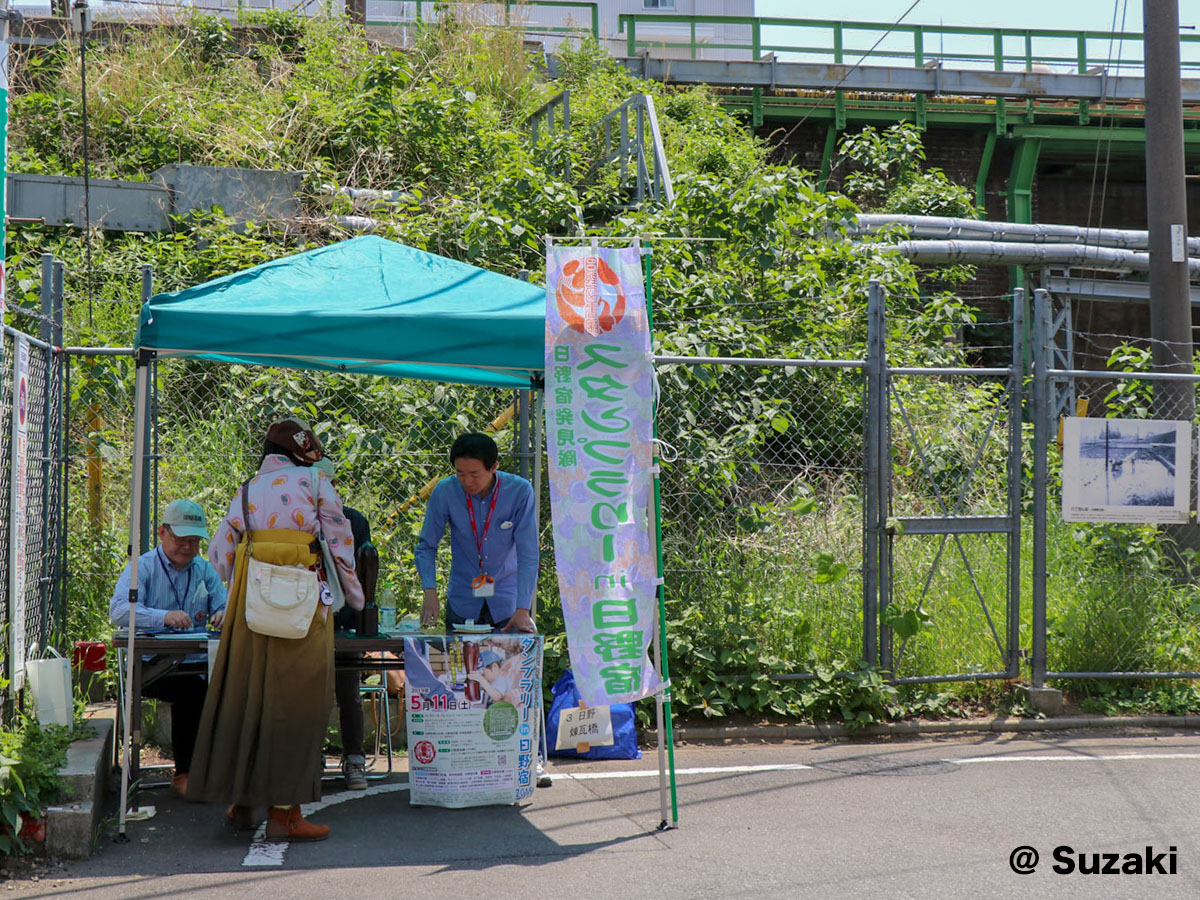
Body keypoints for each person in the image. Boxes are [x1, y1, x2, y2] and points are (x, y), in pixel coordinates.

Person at [187, 417, 364, 842]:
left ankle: (242, 804)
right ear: (305, 454)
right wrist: (353, 596)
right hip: (302, 609)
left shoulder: (246, 489)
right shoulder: (316, 484)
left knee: (250, 699)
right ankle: (285, 814)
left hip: (252, 608)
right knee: (296, 704)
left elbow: (219, 554)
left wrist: (228, 596)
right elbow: (340, 541)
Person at [110, 499, 227, 798]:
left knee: (228, 684)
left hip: (199, 662)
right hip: (154, 665)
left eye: (194, 541)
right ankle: (186, 772)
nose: (187, 548)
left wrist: (224, 613)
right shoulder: (143, 567)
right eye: (180, 540)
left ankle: (224, 769)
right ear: (162, 533)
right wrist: (162, 617)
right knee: (191, 691)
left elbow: (224, 604)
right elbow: (119, 611)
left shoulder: (204, 570)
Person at [416, 433, 539, 634]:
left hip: (509, 604)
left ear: (493, 467)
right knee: (461, 664)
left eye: (474, 474)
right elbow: (426, 547)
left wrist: (523, 608)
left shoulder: (519, 492)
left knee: (509, 665)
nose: (467, 481)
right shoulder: (445, 491)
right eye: (460, 473)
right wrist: (430, 590)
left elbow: (528, 554)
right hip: (462, 599)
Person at [312, 455, 371, 791]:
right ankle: (310, 759)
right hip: (305, 620)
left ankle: (354, 761)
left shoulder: (353, 520)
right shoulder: (296, 521)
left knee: (348, 690)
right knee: (307, 693)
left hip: (345, 620)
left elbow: (363, 568)